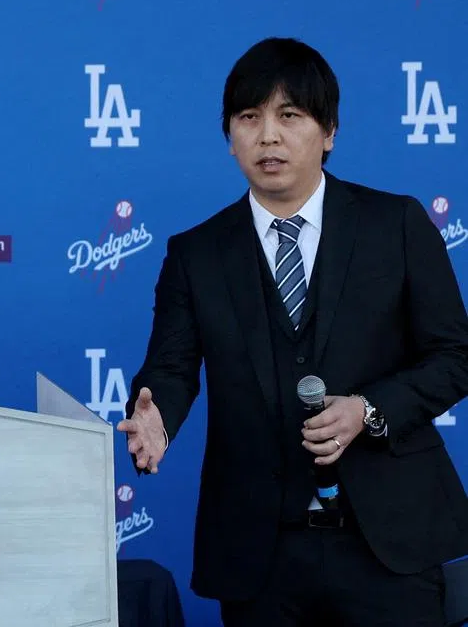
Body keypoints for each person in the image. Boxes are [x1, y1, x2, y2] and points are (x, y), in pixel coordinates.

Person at [117, 36, 468, 626]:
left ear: (328, 131)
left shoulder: (396, 225)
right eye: (249, 117)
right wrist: (156, 416)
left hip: (387, 540)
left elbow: (455, 356)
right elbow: (171, 370)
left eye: (290, 116)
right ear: (229, 136)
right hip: (262, 549)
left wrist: (369, 409)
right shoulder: (197, 254)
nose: (268, 136)